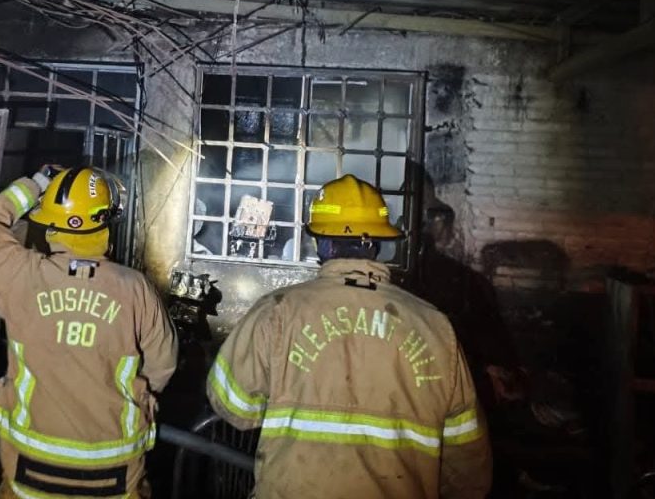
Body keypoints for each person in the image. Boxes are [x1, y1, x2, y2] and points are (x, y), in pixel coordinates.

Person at [206, 174, 492, 498]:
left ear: (322, 244)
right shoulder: (435, 327)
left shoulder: (277, 311)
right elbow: (468, 461)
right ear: (378, 245)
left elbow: (233, 405)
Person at [0, 166, 178, 499]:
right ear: (104, 221)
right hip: (113, 475)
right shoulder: (134, 289)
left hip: (30, 471)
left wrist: (35, 184)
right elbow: (162, 365)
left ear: (50, 222)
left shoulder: (21, 276)